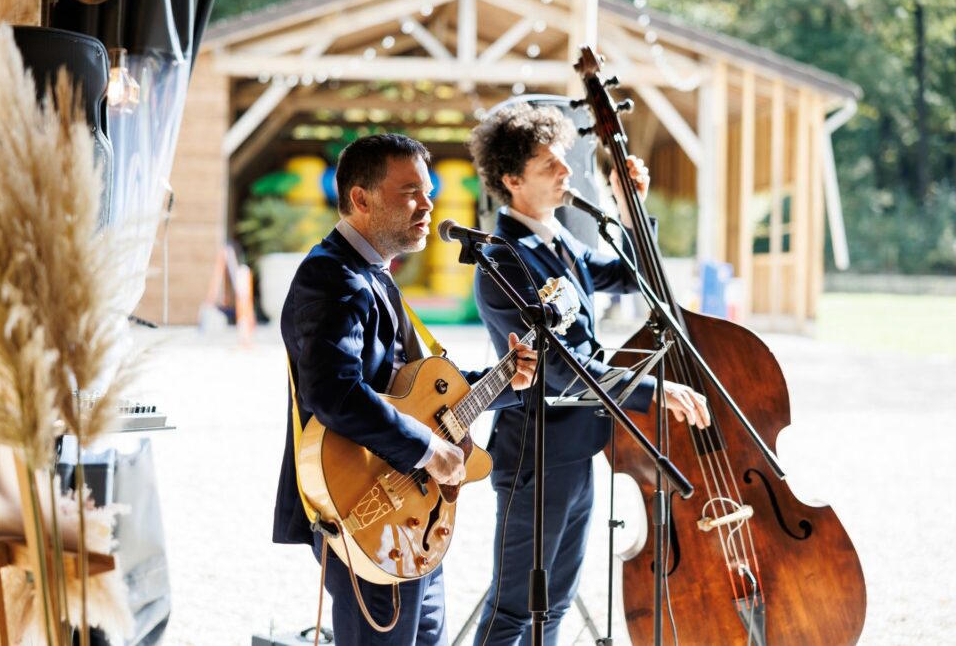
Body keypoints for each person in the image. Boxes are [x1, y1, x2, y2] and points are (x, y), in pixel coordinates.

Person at [272, 133, 538, 645]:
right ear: (361, 198)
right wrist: (428, 450)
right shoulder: (332, 277)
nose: (428, 204)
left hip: (411, 512)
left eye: (429, 191)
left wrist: (508, 379)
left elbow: (414, 393)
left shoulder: (371, 273)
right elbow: (335, 393)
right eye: (410, 192)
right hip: (367, 508)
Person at [468, 103, 711, 645]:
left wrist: (630, 209)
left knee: (555, 604)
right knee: (513, 609)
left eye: (564, 159)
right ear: (512, 180)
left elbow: (632, 276)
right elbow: (558, 369)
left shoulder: (559, 241)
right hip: (535, 455)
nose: (567, 171)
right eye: (549, 165)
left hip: (577, 448)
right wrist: (653, 390)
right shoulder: (503, 259)